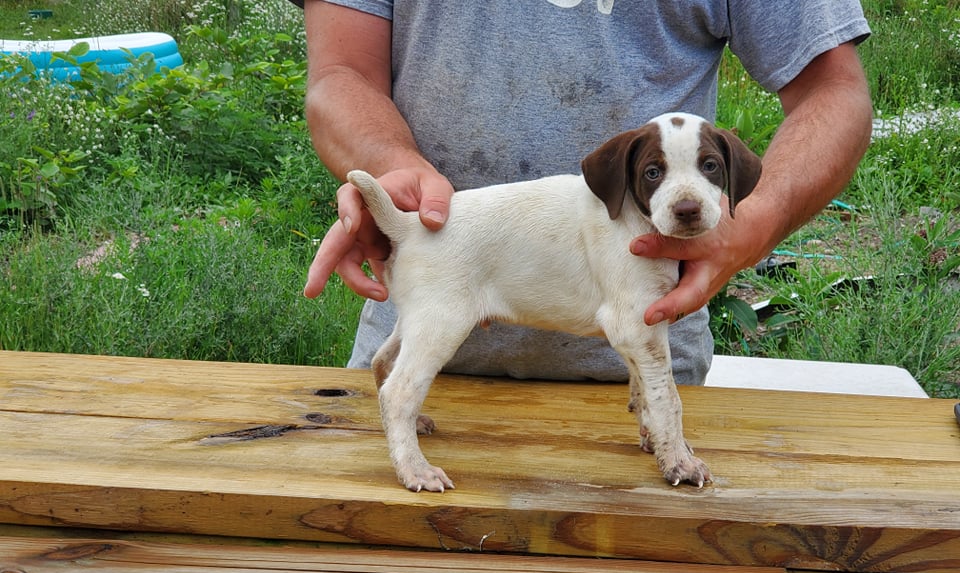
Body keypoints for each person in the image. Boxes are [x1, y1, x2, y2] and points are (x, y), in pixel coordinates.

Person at [291, 0, 873, 385]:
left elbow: (834, 91)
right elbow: (342, 73)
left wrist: (750, 222)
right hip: (428, 345)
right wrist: (387, 163)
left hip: (639, 361)